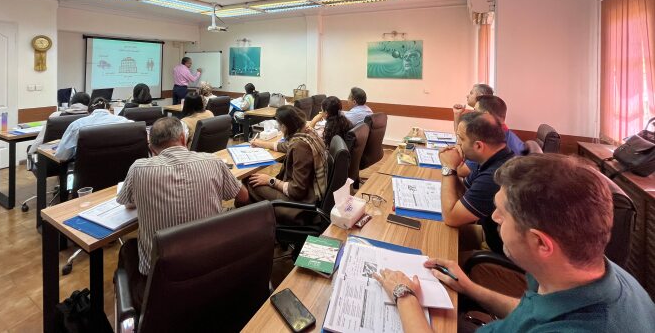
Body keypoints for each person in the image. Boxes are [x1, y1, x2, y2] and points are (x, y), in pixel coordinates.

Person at [373, 155, 655, 332]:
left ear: (540, 242)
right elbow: (532, 314)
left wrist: (404, 294)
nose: (493, 217)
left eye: (502, 214)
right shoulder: (597, 273)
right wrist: (471, 288)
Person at [117, 117, 249, 310]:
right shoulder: (212, 161)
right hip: (211, 267)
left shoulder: (138, 169)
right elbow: (244, 196)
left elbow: (127, 203)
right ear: (182, 138)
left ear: (151, 147)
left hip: (161, 282)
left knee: (128, 249)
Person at [439, 111, 513, 255]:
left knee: (438, 254)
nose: (458, 145)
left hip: (497, 252)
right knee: (437, 234)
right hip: (489, 234)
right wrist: (453, 170)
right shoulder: (495, 157)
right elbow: (465, 194)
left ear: (478, 146)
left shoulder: (495, 176)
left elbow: (451, 218)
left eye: (461, 139)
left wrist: (448, 168)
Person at [245, 105, 327, 220]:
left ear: (284, 127)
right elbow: (285, 146)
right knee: (255, 181)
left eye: (279, 125)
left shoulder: (300, 147)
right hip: (311, 192)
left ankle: (253, 220)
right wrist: (260, 143)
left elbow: (297, 191)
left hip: (302, 204)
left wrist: (271, 180)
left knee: (249, 181)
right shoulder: (308, 133)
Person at [56, 97, 131, 161]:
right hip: (120, 169)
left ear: (88, 112)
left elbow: (61, 156)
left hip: (85, 171)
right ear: (110, 109)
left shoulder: (76, 125)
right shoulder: (126, 122)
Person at [27, 92, 90, 157]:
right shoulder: (90, 118)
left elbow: (40, 139)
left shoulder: (56, 116)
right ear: (89, 104)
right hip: (77, 158)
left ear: (71, 102)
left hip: (50, 157)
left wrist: (31, 151)